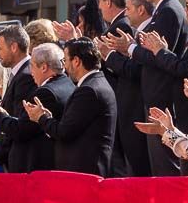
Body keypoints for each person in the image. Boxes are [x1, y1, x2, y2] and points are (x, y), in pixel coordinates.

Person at [105, 0, 188, 175]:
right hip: (157, 97)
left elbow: (158, 57)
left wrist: (131, 48)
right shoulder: (165, 10)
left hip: (162, 98)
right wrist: (131, 49)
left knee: (166, 169)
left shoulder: (169, 11)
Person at [23, 38, 117, 176]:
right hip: (85, 170)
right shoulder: (96, 84)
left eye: (65, 61)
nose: (64, 67)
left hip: (84, 172)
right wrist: (47, 117)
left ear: (76, 61)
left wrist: (41, 118)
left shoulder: (89, 90)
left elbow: (65, 132)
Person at [0, 42, 74, 172]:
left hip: (37, 168)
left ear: (44, 67)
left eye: (32, 66)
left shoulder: (45, 93)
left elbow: (22, 130)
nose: (31, 72)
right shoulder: (68, 84)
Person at [97, 0, 150, 177]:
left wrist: (107, 55)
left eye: (100, 2)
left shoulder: (120, 27)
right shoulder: (119, 25)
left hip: (127, 102)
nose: (99, 7)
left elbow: (125, 67)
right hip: (121, 101)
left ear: (108, 2)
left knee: (129, 163)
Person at [0, 25, 36, 173]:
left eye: (0, 48)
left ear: (13, 47)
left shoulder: (26, 76)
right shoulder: (18, 72)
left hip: (21, 161)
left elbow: (18, 122)